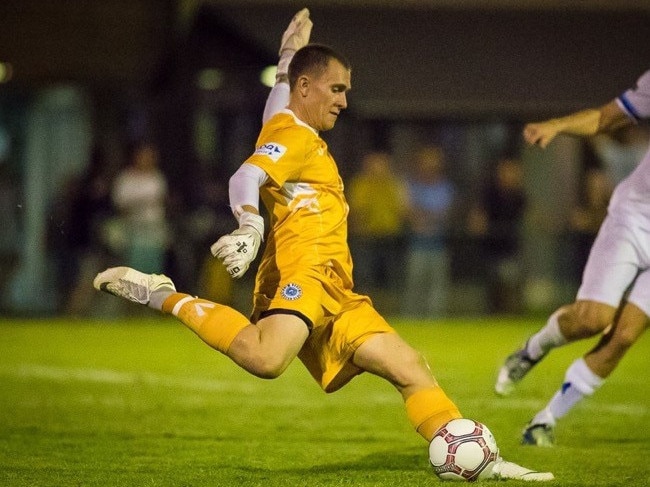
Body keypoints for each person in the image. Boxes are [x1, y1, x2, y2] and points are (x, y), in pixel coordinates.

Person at [94, 9, 552, 481]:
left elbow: (277, 103)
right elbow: (245, 175)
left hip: (337, 288)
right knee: (267, 359)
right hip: (303, 274)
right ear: (307, 88)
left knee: (410, 368)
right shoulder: (296, 139)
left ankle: (483, 461)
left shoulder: (287, 125)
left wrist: (288, 52)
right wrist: (250, 226)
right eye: (337, 89)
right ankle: (163, 294)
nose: (344, 102)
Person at [495, 69, 650, 447]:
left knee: (625, 335)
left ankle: (544, 421)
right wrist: (558, 125)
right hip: (635, 219)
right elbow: (607, 116)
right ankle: (534, 348)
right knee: (593, 319)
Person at [468, 157, 527, 314]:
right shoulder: (490, 193)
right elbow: (478, 217)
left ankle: (510, 315)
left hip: (510, 250)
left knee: (511, 286)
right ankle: (492, 315)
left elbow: (531, 213)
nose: (510, 175)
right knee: (493, 289)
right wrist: (478, 226)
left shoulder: (518, 195)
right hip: (492, 250)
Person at [401, 145, 455, 317]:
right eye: (425, 164)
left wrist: (424, 215)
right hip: (417, 246)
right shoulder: (411, 186)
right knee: (414, 284)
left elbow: (444, 213)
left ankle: (436, 320)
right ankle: (411, 319)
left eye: (433, 164)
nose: (429, 168)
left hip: (438, 245)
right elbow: (408, 212)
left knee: (437, 286)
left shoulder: (445, 187)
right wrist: (424, 215)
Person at [346, 150, 407, 302]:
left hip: (390, 238)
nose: (378, 167)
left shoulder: (395, 185)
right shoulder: (360, 185)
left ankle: (395, 309)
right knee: (365, 278)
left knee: (393, 278)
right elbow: (355, 211)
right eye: (374, 163)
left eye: (382, 163)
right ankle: (364, 309)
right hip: (366, 239)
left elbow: (403, 209)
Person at [111, 141, 170, 274]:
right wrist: (141, 203)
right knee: (135, 272)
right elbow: (120, 205)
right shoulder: (125, 179)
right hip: (134, 233)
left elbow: (161, 201)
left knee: (153, 273)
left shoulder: (157, 177)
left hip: (154, 232)